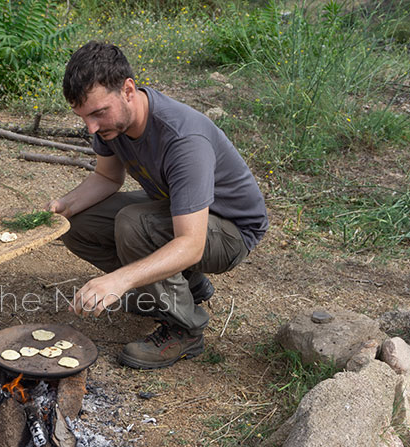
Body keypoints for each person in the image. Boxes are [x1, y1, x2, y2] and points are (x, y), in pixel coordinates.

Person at [47, 41, 268, 369]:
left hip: (231, 229)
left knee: (134, 223)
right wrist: (65, 206)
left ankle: (185, 329)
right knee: (77, 224)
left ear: (128, 90)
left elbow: (191, 245)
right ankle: (185, 287)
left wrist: (120, 280)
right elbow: (108, 178)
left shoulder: (182, 139)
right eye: (83, 118)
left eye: (97, 114)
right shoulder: (112, 125)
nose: (91, 128)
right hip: (180, 210)